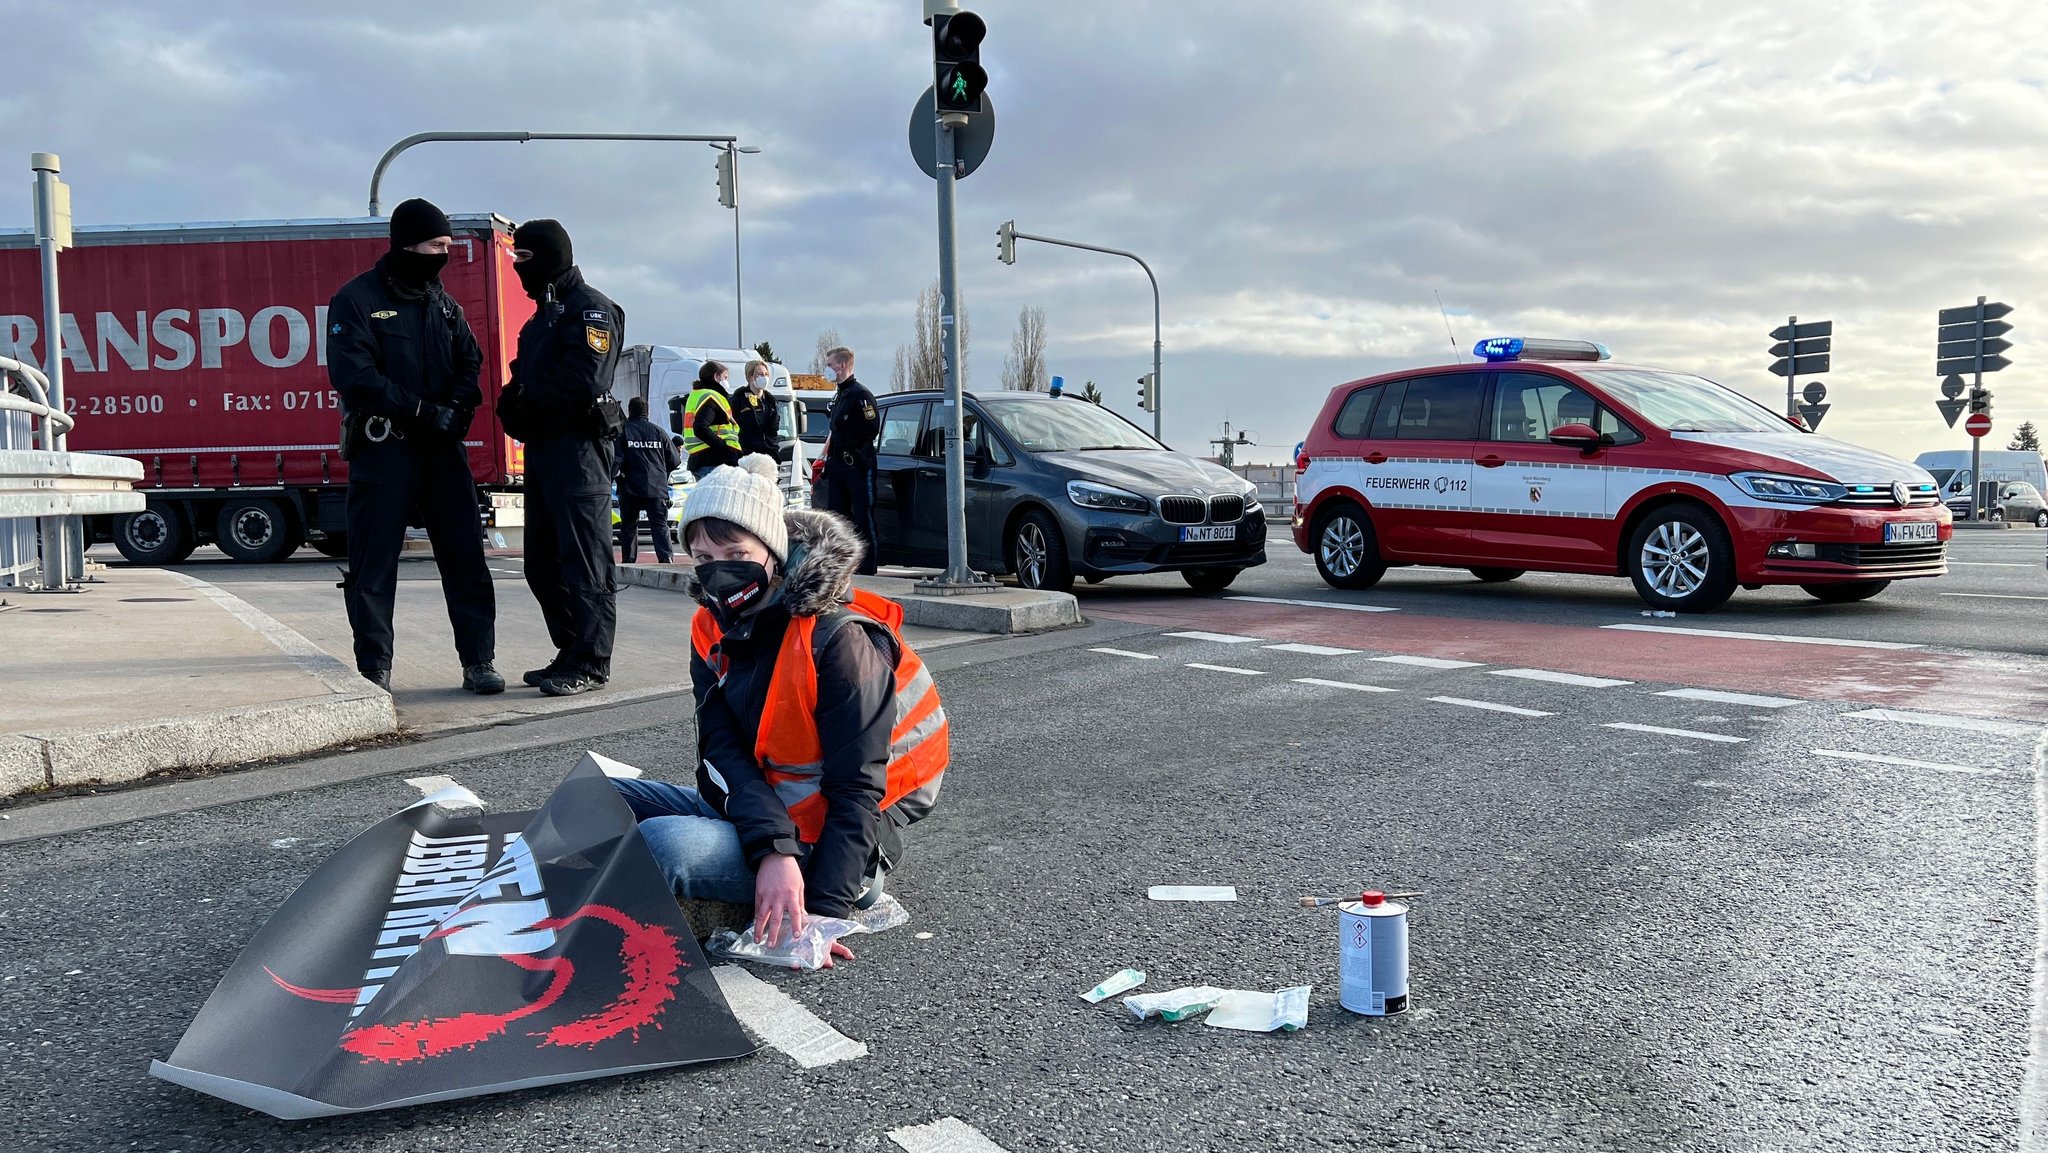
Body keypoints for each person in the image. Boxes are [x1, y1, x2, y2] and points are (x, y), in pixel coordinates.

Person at [611, 455, 948, 952]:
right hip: (766, 808)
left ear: (772, 551)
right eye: (702, 559)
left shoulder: (839, 638)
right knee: (602, 796)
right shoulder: (710, 626)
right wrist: (771, 846)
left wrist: (822, 913)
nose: (717, 570)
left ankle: (817, 880)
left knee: (663, 844)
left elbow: (857, 788)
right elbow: (722, 748)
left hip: (833, 828)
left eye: (733, 551)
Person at [325, 198, 502, 695]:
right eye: (437, 245)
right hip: (385, 451)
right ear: (407, 244)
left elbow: (471, 362)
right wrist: (422, 411)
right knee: (373, 564)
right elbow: (354, 376)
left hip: (442, 452)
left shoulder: (442, 303)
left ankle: (479, 661)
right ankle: (374, 668)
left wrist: (457, 412)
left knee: (465, 558)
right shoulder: (356, 300)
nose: (446, 253)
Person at [494, 218, 625, 697]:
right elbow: (520, 381)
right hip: (544, 453)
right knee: (542, 565)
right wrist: (514, 403)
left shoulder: (591, 310)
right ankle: (570, 650)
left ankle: (592, 661)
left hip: (580, 454)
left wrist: (526, 398)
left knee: (586, 564)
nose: (518, 270)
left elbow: (584, 380)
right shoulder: (539, 320)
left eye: (525, 260)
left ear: (550, 256)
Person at [818, 346, 880, 575]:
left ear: (842, 365)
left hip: (857, 464)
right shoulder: (839, 394)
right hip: (838, 465)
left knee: (863, 515)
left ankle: (867, 566)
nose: (828, 369)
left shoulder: (860, 395)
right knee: (837, 516)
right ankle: (840, 564)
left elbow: (872, 427)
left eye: (830, 364)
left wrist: (850, 444)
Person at [616, 395, 682, 564]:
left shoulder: (623, 431)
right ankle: (666, 559)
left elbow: (616, 460)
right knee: (660, 525)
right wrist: (659, 472)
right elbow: (674, 460)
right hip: (656, 488)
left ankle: (629, 562)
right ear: (648, 412)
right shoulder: (658, 431)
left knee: (629, 526)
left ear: (630, 411)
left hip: (630, 488)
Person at [683, 361, 741, 479]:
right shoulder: (711, 397)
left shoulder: (696, 395)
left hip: (700, 459)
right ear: (715, 376)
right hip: (714, 461)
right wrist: (724, 448)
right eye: (725, 377)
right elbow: (700, 427)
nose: (727, 381)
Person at [732, 359, 781, 460]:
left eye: (766, 374)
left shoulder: (771, 402)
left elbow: (773, 431)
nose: (764, 378)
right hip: (745, 456)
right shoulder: (738, 399)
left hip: (768, 456)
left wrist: (774, 450)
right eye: (760, 374)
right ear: (750, 377)